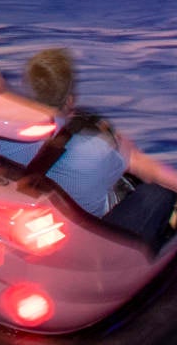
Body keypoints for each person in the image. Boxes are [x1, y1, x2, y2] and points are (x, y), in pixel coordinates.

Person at [21, 48, 134, 220]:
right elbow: (125, 164)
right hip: (84, 232)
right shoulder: (100, 150)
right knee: (153, 196)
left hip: (24, 216)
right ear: (70, 101)